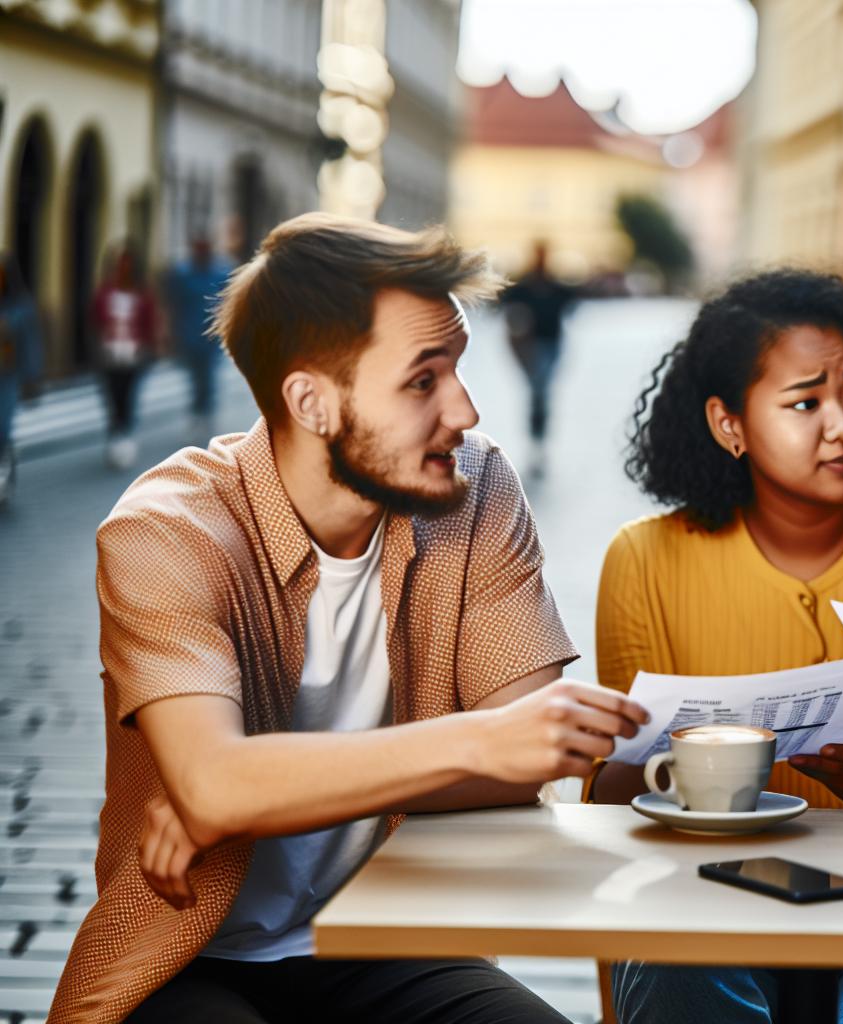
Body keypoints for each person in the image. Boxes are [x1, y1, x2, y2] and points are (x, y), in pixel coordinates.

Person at [50, 213, 650, 1024]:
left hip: (397, 942)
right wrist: (225, 788)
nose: (466, 410)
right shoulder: (168, 530)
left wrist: (255, 791)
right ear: (312, 401)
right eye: (423, 381)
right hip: (191, 955)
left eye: (458, 368)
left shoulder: (474, 489)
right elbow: (498, 740)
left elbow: (528, 756)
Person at [589, 269, 843, 1023]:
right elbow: (615, 801)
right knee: (679, 971)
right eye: (806, 402)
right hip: (701, 908)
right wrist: (687, 773)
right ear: (729, 425)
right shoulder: (644, 559)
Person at [499, 241, 579, 476]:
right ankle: (537, 443)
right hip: (531, 349)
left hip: (550, 346)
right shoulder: (526, 287)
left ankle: (538, 443)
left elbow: (570, 303)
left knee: (540, 393)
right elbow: (508, 308)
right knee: (539, 394)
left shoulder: (553, 286)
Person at [91, 245, 160, 470]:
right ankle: (115, 436)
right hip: (109, 356)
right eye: (120, 265)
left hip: (134, 356)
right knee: (113, 396)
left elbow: (149, 323)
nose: (123, 270)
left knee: (129, 396)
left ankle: (126, 437)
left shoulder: (142, 294)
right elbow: (95, 320)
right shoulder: (105, 293)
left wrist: (151, 347)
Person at [164, 233, 233, 433]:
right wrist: (170, 331)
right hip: (189, 333)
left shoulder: (221, 272)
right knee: (195, 374)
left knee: (208, 375)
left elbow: (228, 303)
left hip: (212, 335)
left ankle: (205, 410)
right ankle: (198, 408)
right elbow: (173, 303)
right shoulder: (182, 274)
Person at [0, 254, 46, 508]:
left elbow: (30, 344)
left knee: (3, 426)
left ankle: (6, 471)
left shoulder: (21, 307)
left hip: (8, 377)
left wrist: (32, 378)